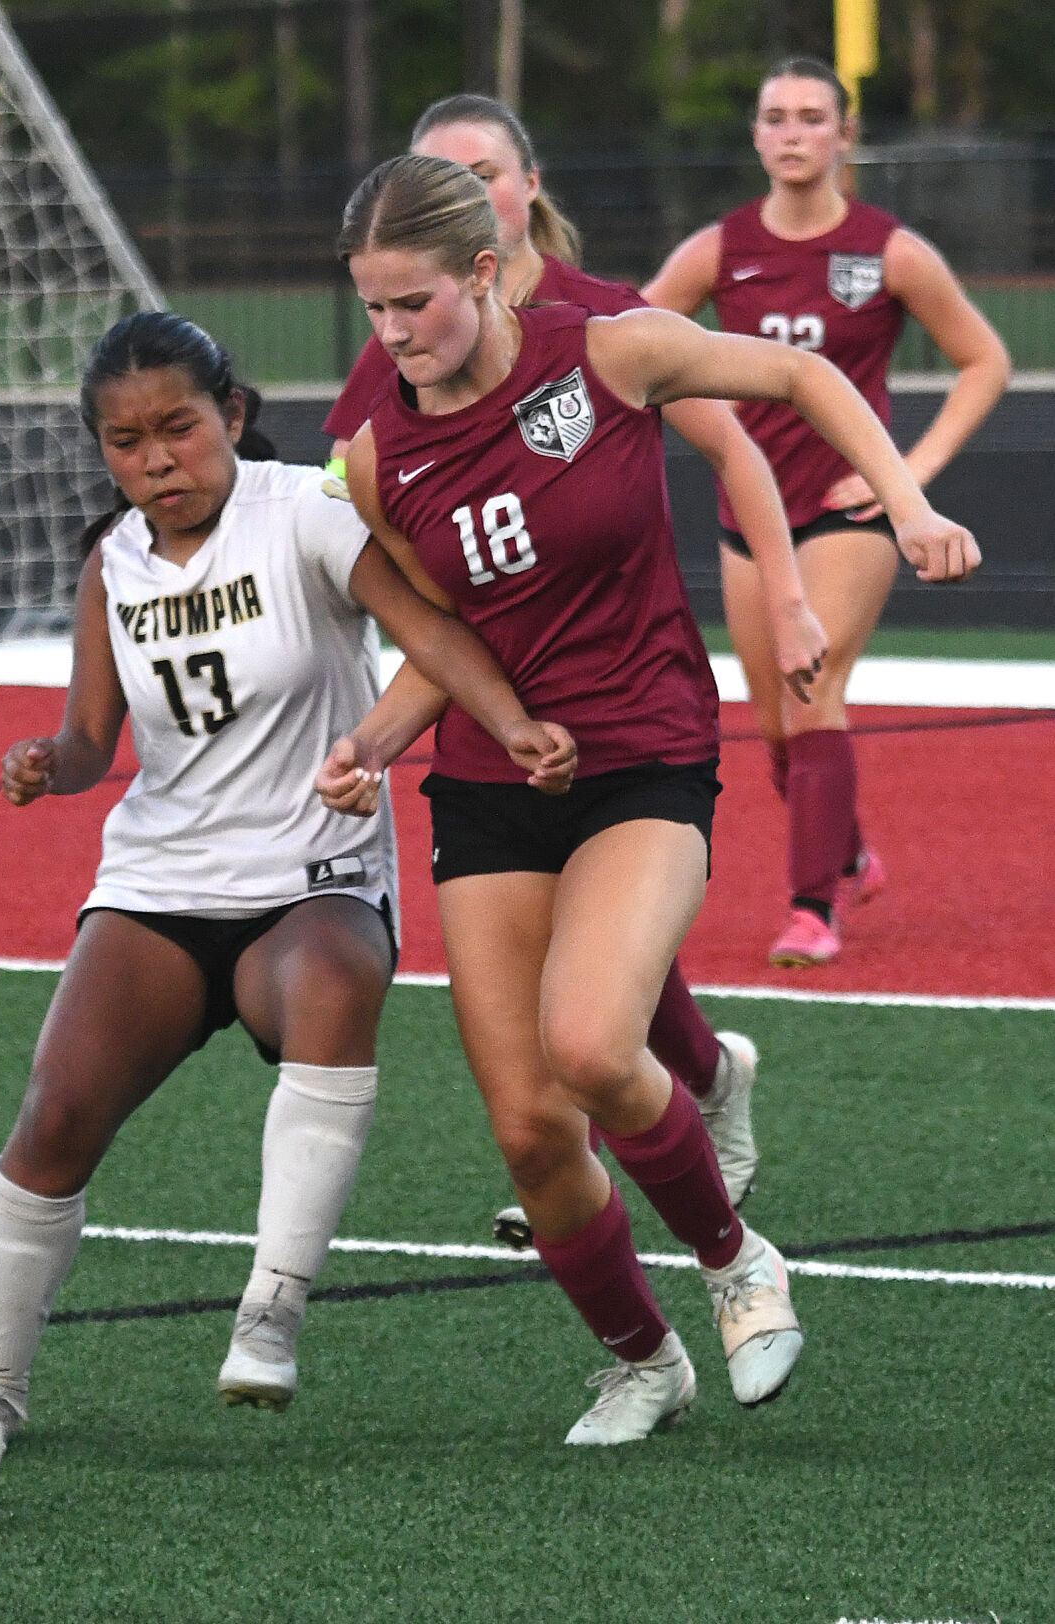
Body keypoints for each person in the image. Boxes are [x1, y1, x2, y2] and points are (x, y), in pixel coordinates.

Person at [319, 153, 979, 1446]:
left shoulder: (604, 353)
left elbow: (797, 378)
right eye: (371, 311)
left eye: (415, 305)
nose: (393, 337)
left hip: (644, 754)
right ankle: (640, 1361)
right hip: (491, 782)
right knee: (526, 1131)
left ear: (484, 270)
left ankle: (737, 1265)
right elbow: (442, 633)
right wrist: (372, 743)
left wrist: (903, 503)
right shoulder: (373, 452)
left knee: (586, 1047)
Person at [0, 310, 575, 1434]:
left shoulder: (302, 507)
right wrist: (53, 762)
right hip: (160, 881)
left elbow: (433, 632)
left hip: (311, 872)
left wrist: (514, 721)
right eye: (125, 441)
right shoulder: (113, 563)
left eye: (179, 429)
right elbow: (97, 738)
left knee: (334, 984)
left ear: (232, 416)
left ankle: (270, 1312)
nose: (156, 459)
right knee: (53, 1119)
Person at [327, 93, 831, 1218]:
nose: (465, 188)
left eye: (481, 171)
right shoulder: (397, 352)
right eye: (432, 169)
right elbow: (418, 586)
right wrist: (367, 730)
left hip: (627, 721)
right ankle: (581, 1143)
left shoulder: (603, 327)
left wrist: (788, 593)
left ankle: (677, 1092)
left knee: (597, 978)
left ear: (521, 192)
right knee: (564, 1011)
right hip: (496, 745)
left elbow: (738, 434)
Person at [644, 57, 1010, 966]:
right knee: (772, 725)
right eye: (775, 118)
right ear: (756, 135)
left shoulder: (888, 250)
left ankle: (812, 906)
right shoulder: (720, 248)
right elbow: (635, 347)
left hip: (850, 514)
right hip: (747, 516)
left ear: (845, 136)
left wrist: (905, 479)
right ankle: (844, 846)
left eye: (813, 117)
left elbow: (984, 361)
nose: (793, 133)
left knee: (816, 690)